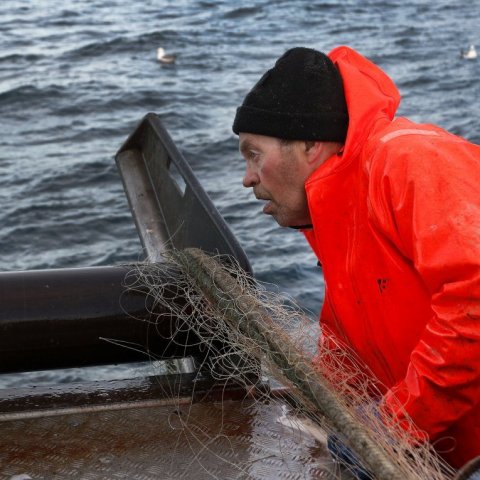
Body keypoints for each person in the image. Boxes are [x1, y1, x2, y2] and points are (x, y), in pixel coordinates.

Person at [232, 46, 480, 473]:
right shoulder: (333, 212)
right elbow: (352, 338)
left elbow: (474, 296)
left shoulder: (409, 161)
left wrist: (394, 426)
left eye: (254, 154)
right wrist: (310, 398)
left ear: (311, 145)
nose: (247, 178)